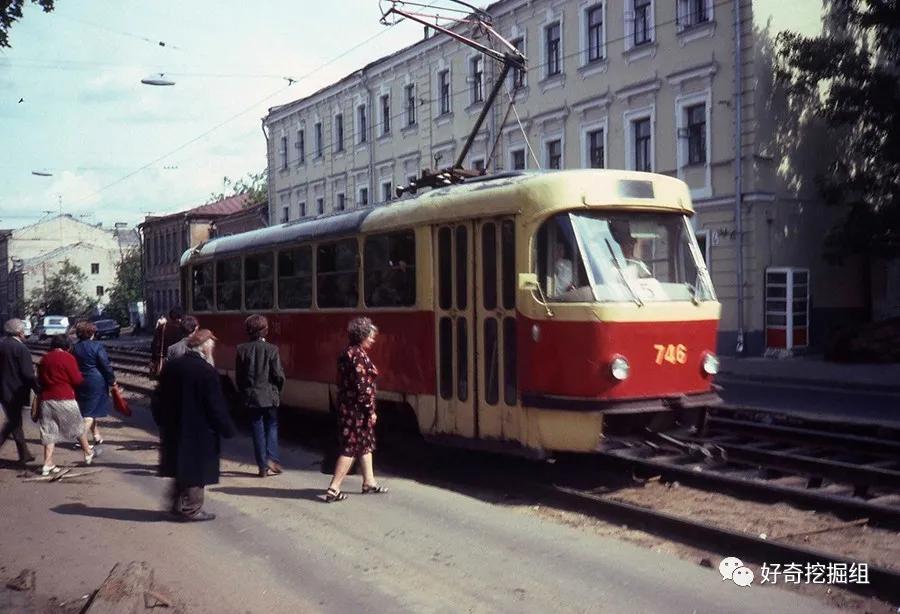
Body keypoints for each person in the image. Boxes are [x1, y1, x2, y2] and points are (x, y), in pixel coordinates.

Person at [152, 329, 235, 521]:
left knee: (180, 467)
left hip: (175, 427)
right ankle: (191, 509)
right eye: (211, 347)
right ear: (205, 347)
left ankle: (176, 505)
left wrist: (161, 419)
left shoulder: (172, 367)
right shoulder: (207, 372)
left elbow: (157, 397)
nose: (212, 351)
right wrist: (226, 428)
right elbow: (215, 405)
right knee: (196, 471)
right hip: (200, 430)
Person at [325, 317, 388, 502]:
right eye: (371, 336)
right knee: (350, 448)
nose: (373, 340)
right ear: (362, 336)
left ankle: (369, 482)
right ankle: (334, 488)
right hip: (356, 410)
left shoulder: (347, 353)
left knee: (365, 444)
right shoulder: (358, 356)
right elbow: (363, 388)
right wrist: (371, 411)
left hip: (348, 406)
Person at [37, 335, 97, 476]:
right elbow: (76, 380)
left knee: (49, 431)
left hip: (47, 399)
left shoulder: (44, 359)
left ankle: (47, 463)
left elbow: (39, 379)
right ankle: (88, 452)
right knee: (78, 426)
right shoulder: (68, 358)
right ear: (67, 346)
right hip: (65, 397)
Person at [235, 315, 285, 477]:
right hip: (270, 396)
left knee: (257, 429)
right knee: (272, 426)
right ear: (265, 330)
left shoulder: (241, 349)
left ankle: (262, 466)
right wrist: (277, 390)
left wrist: (244, 392)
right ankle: (272, 458)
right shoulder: (272, 349)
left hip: (252, 397)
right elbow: (278, 375)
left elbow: (240, 376)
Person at [71, 321, 116, 446]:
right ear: (91, 333)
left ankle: (96, 435)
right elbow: (105, 365)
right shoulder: (97, 346)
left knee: (87, 409)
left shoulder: (74, 348)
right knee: (90, 412)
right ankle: (81, 438)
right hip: (96, 381)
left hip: (79, 381)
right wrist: (112, 380)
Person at [0, 318, 38, 464]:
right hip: (16, 391)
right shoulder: (21, 349)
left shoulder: (1, 345)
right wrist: (38, 389)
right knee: (12, 423)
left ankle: (24, 454)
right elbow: (28, 374)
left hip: (3, 390)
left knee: (15, 422)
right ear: (20, 332)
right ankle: (24, 455)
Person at [150, 306, 186, 377]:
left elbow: (155, 345)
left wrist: (153, 359)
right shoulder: (183, 329)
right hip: (180, 361)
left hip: (165, 361)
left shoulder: (162, 328)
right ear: (181, 317)